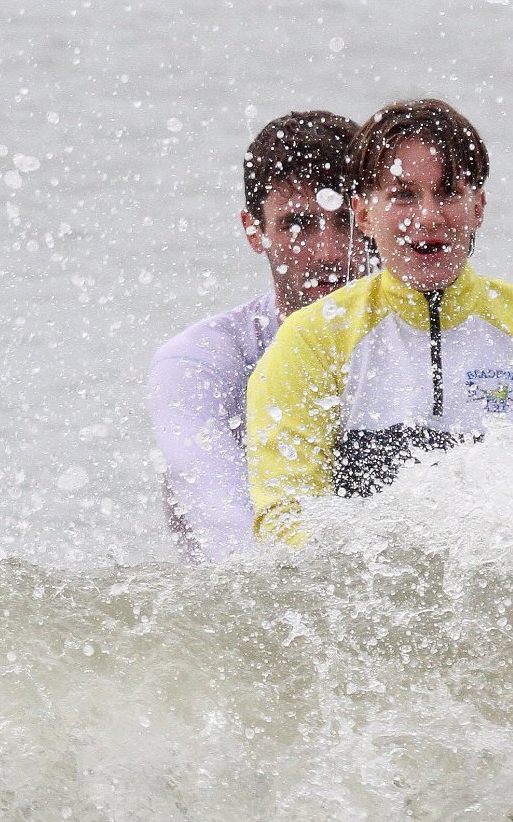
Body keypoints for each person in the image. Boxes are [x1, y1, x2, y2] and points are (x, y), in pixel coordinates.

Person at [246, 98, 513, 545]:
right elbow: (283, 516)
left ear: (478, 206)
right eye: (403, 195)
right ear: (363, 214)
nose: (429, 217)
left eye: (449, 192)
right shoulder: (312, 341)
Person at [147, 110, 363, 562]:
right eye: (298, 224)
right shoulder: (197, 362)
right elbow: (223, 526)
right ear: (254, 230)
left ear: (374, 218)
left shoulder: (434, 342)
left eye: (345, 221)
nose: (327, 252)